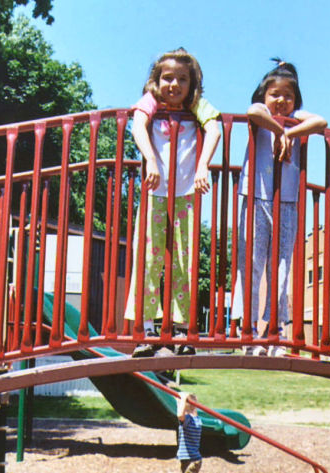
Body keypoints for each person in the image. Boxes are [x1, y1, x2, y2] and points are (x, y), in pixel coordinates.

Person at [124, 48, 221, 356]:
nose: (174, 85)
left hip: (186, 194)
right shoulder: (152, 103)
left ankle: (181, 330)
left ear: (192, 84)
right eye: (168, 78)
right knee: (148, 260)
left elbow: (215, 128)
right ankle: (147, 329)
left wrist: (203, 165)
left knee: (185, 261)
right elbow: (138, 125)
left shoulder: (195, 106)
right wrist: (150, 159)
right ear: (157, 80)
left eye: (182, 79)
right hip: (156, 191)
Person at [231, 59, 327, 356]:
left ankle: (273, 330)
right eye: (275, 94)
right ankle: (247, 329)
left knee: (282, 267)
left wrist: (290, 133)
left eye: (288, 95)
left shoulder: (297, 119)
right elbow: (252, 110)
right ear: (264, 94)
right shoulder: (260, 117)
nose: (282, 101)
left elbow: (321, 122)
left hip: (287, 201)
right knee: (252, 263)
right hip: (255, 196)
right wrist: (278, 129)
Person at [176, 392, 202, 472]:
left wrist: (183, 398)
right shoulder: (197, 420)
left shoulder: (188, 420)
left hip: (190, 459)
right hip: (193, 458)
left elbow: (180, 415)